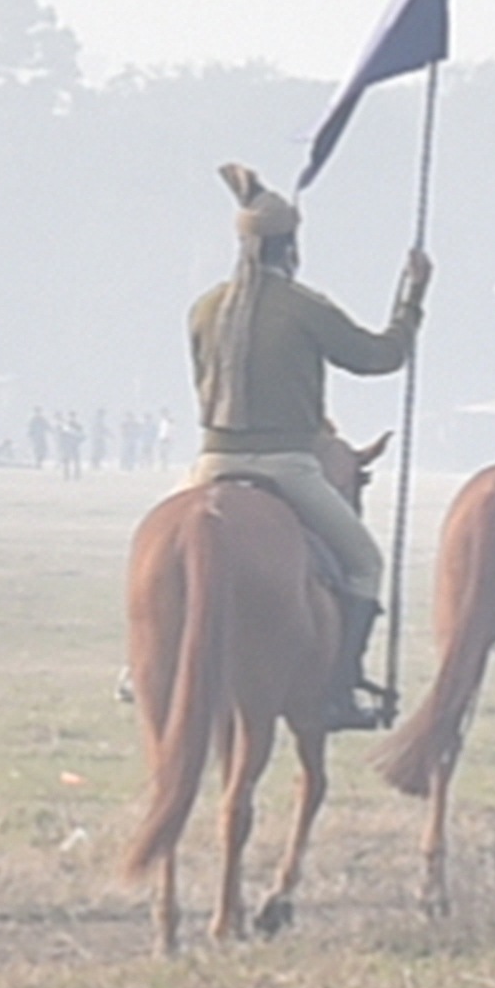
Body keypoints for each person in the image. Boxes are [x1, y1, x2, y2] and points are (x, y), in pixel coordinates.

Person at [184, 163, 428, 730]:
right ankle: (339, 689)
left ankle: (137, 669)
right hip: (286, 463)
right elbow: (379, 356)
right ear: (288, 246)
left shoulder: (203, 307)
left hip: (211, 462)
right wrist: (412, 298)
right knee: (365, 564)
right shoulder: (303, 305)